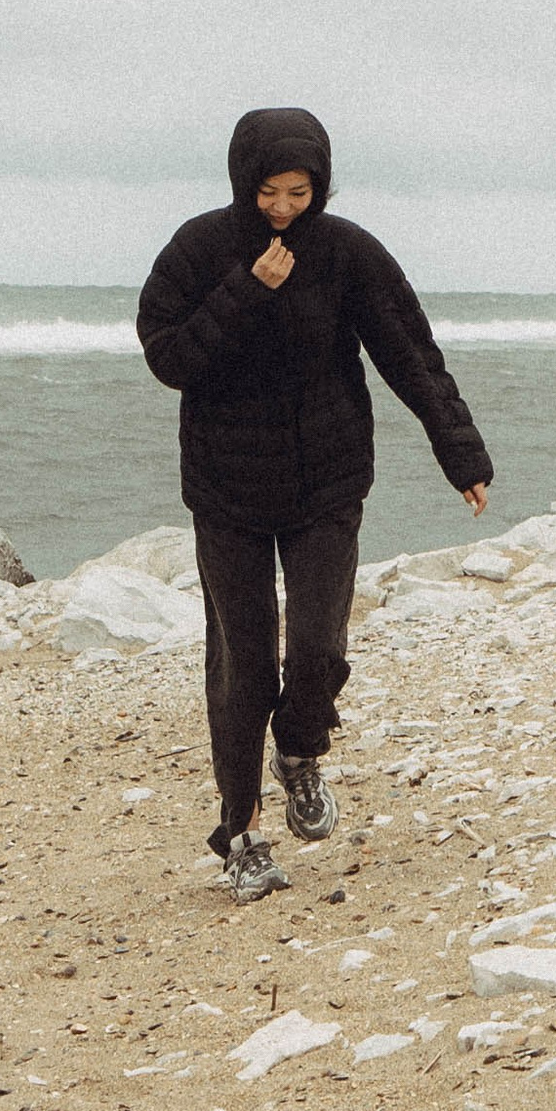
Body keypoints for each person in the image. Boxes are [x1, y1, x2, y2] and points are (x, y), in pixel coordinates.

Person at [137, 106, 493, 902]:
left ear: (320, 185)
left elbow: (410, 352)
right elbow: (168, 358)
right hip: (227, 490)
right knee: (243, 665)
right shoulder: (198, 250)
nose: (284, 208)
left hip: (326, 484)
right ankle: (243, 832)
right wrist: (244, 288)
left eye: (299, 192)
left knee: (321, 649)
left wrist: (459, 452)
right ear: (244, 183)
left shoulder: (345, 252)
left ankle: (299, 750)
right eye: (270, 192)